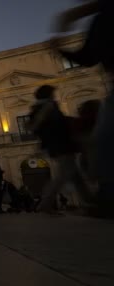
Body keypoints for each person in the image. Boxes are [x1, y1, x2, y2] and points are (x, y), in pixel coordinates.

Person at [51, 0, 114, 217]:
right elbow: (88, 57)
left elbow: (87, 57)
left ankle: (107, 195)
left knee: (105, 141)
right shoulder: (101, 18)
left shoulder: (101, 18)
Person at [28, 85, 93, 214]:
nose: (54, 95)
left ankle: (89, 202)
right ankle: (45, 203)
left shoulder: (43, 107)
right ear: (48, 94)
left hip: (59, 144)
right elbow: (55, 125)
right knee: (62, 175)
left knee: (75, 175)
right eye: (52, 93)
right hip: (61, 144)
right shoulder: (48, 107)